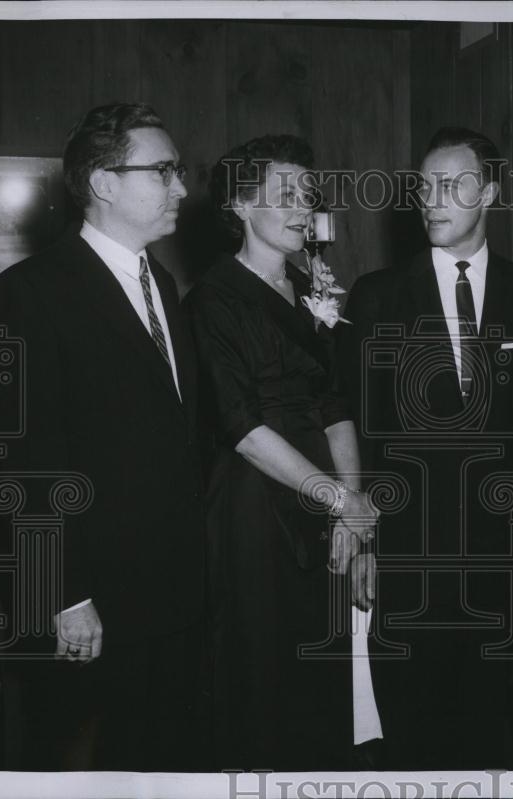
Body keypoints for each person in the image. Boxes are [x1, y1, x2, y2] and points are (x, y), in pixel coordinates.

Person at [0, 102, 206, 770]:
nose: (181, 187)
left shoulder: (160, 279)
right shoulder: (28, 292)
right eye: (163, 171)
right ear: (104, 183)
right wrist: (63, 595)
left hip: (174, 598)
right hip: (91, 608)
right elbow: (14, 462)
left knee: (164, 763)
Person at [339, 126, 513, 769]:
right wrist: (364, 543)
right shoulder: (377, 296)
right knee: (410, 726)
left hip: (501, 552)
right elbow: (363, 429)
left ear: (489, 191)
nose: (431, 199)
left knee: (492, 722)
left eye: (452, 184)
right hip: (407, 551)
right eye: (424, 186)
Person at [186, 134, 379, 770]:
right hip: (255, 504)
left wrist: (353, 510)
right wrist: (336, 498)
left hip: (325, 502)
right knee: (263, 681)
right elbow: (240, 426)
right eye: (285, 195)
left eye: (308, 194)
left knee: (319, 675)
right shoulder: (213, 299)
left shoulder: (309, 286)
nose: (304, 208)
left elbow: (335, 404)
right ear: (241, 206)